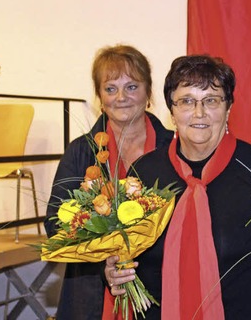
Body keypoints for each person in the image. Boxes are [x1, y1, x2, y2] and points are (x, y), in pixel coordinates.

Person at [104, 55, 251, 319]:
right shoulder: (144, 174)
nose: (199, 113)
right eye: (187, 101)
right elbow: (121, 252)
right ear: (172, 111)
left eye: (211, 100)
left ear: (228, 108)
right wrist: (110, 270)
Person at [44, 44, 173, 320]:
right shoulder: (80, 151)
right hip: (92, 294)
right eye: (111, 88)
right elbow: (55, 222)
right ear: (99, 98)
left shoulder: (173, 148)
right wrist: (104, 258)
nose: (121, 97)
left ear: (149, 92)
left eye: (132, 87)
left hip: (161, 291)